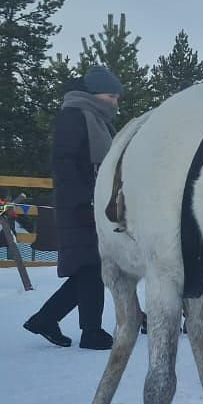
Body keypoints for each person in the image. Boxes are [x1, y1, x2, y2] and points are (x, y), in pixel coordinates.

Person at [24, 66, 123, 349]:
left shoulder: (97, 119)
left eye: (117, 97)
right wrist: (83, 201)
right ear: (93, 94)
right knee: (92, 266)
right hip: (79, 204)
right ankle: (89, 331)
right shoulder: (75, 116)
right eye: (110, 96)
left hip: (94, 202)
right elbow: (64, 162)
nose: (114, 102)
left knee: (91, 267)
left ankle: (48, 319)